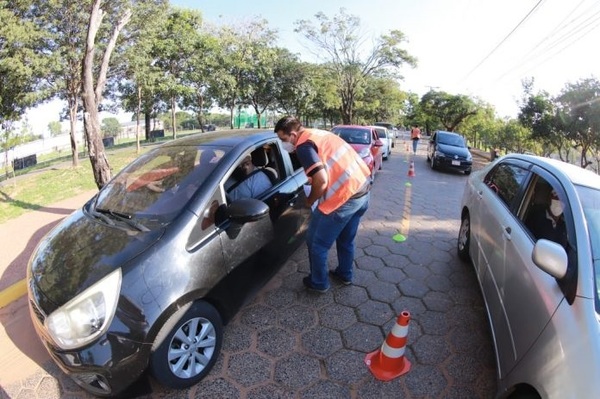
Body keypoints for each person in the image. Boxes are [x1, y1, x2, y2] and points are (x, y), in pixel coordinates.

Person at [275, 116, 371, 293]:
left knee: (317, 243)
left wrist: (309, 201)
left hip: (343, 200)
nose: (283, 144)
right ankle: (345, 274)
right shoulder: (318, 134)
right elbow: (327, 165)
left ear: (293, 135)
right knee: (346, 239)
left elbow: (322, 180)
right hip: (362, 191)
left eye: (283, 139)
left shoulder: (303, 146)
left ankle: (319, 283)